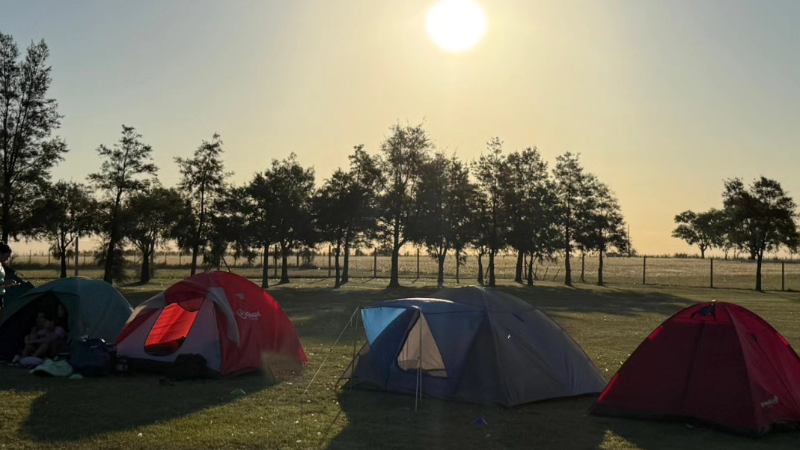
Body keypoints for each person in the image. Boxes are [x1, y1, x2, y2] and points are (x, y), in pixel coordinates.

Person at [0, 242, 19, 310]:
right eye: (6, 256)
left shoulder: (1, 265)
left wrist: (9, 284)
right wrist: (6, 282)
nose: (7, 259)